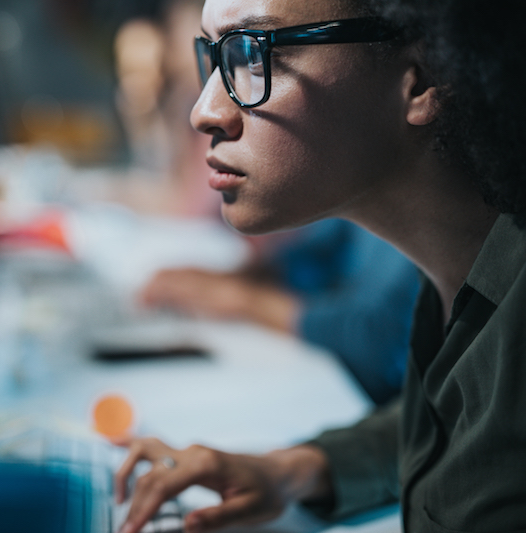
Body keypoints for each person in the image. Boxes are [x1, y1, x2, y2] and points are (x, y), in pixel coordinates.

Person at [115, 0, 526, 531]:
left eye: (255, 55)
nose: (205, 111)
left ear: (425, 78)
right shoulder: (459, 278)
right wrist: (294, 470)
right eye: (213, 57)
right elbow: (454, 418)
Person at [142, 218, 421, 405]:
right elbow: (314, 256)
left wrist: (245, 300)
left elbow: (380, 338)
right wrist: (235, 278)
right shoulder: (368, 183)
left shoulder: (422, 211)